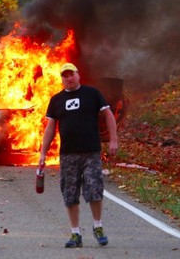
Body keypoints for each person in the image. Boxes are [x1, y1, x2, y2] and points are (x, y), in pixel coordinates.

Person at [38, 62, 118, 248]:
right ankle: (75, 234)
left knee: (94, 189)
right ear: (62, 79)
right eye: (65, 76)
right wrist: (43, 153)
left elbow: (108, 115)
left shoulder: (92, 94)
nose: (69, 78)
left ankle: (98, 227)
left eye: (71, 74)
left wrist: (113, 139)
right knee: (70, 194)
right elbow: (50, 128)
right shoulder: (56, 100)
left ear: (78, 74)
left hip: (91, 152)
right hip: (68, 155)